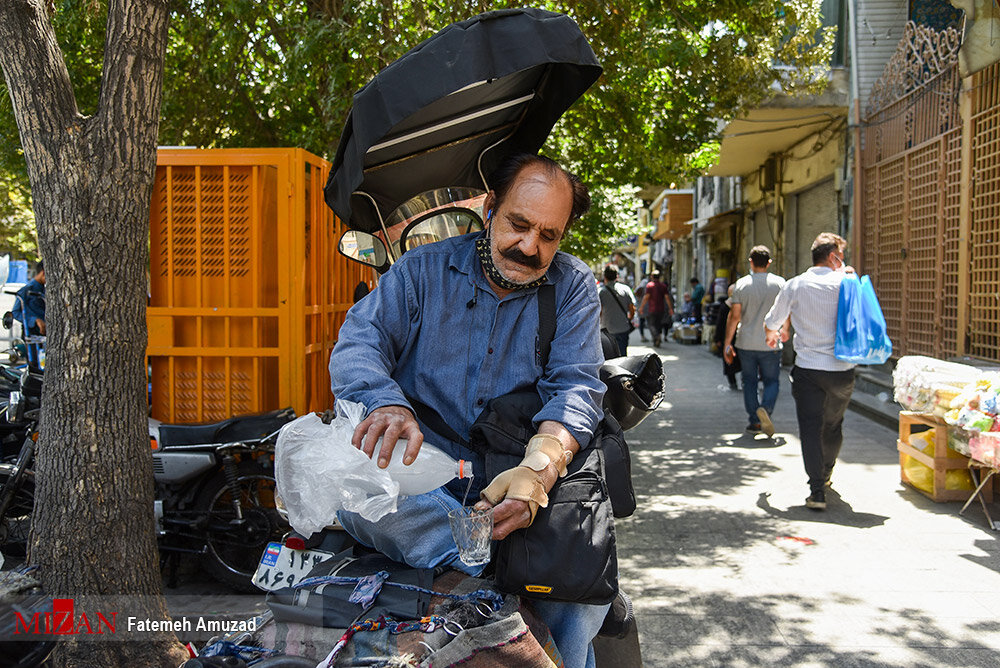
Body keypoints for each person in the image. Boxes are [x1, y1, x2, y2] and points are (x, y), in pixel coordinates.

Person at [329, 153, 609, 668]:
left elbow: (575, 386)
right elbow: (358, 343)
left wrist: (539, 469)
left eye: (549, 236)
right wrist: (385, 402)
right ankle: (484, 569)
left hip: (511, 477)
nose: (530, 247)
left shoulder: (571, 286)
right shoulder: (421, 271)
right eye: (518, 225)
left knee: (580, 591)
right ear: (490, 207)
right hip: (421, 479)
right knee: (359, 493)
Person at [763, 233, 856, 511]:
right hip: (842, 371)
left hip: (808, 370)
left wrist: (772, 335)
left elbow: (772, 321)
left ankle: (816, 491)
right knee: (833, 425)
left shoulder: (796, 284)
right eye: (841, 254)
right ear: (832, 257)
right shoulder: (848, 281)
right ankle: (826, 473)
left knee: (810, 428)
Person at [724, 246, 786, 436]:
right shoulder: (780, 284)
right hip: (771, 342)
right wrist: (786, 330)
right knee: (772, 381)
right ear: (769, 263)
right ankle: (765, 409)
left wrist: (728, 343)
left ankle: (755, 421)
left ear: (750, 262)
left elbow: (734, 317)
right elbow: (786, 311)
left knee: (749, 381)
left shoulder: (741, 285)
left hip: (746, 343)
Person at [598, 265, 635, 356]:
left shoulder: (601, 292)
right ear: (617, 276)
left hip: (607, 330)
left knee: (608, 357)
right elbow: (632, 308)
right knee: (622, 355)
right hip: (623, 328)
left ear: (605, 277)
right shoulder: (626, 289)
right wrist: (630, 318)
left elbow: (599, 311)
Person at [714, 284, 741, 390]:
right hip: (733, 337)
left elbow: (719, 324)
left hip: (731, 338)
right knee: (733, 360)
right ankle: (736, 383)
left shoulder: (727, 305)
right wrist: (718, 338)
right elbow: (720, 324)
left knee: (730, 361)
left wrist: (718, 339)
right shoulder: (727, 306)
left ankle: (735, 382)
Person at [639, 270, 672, 346]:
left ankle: (656, 336)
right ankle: (657, 338)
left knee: (651, 324)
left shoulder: (650, 285)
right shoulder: (663, 286)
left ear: (652, 277)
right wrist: (670, 308)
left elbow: (646, 297)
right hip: (661, 309)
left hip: (652, 308)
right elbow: (667, 298)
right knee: (658, 324)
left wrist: (641, 307)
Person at [12, 260, 45, 336]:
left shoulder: (47, 290)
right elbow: (15, 313)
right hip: (32, 335)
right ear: (43, 273)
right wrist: (35, 320)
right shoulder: (26, 290)